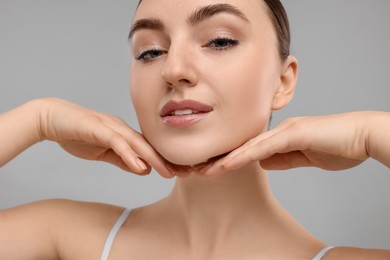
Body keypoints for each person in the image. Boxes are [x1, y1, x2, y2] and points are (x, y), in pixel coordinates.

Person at [0, 0, 389, 259]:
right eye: (150, 51)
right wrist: (39, 119)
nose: (173, 70)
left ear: (283, 81)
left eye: (219, 41)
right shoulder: (67, 237)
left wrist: (371, 134)